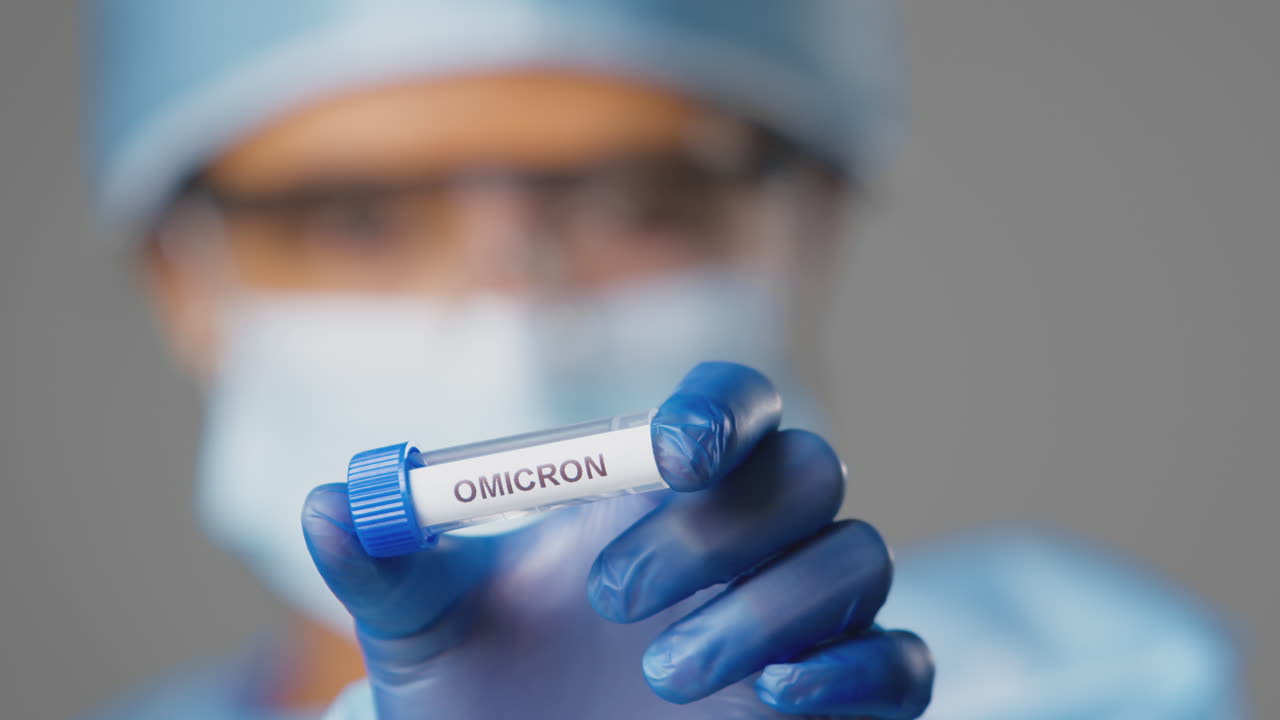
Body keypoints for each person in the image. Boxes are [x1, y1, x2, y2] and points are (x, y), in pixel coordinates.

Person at [81, 1, 1242, 718]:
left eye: (639, 204)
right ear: (181, 276)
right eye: (360, 220)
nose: (511, 310)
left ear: (811, 225)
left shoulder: (1074, 686)